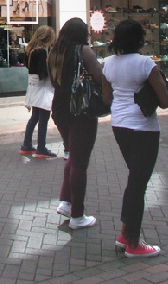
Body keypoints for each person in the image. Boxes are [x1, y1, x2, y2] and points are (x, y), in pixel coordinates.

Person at [101, 19, 168, 258]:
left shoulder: (108, 63)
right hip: (144, 127)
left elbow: (107, 97)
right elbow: (165, 101)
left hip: (119, 125)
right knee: (138, 184)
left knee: (135, 180)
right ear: (139, 39)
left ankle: (125, 233)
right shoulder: (145, 64)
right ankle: (133, 242)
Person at [48, 17, 105, 230]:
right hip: (81, 109)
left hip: (60, 108)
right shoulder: (84, 51)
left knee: (73, 154)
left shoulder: (54, 53)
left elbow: (54, 82)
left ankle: (66, 201)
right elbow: (99, 77)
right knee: (80, 163)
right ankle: (77, 216)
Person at [20, 26, 57, 158]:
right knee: (44, 118)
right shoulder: (42, 51)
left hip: (33, 86)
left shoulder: (30, 50)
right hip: (43, 88)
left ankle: (27, 144)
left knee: (35, 117)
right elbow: (43, 73)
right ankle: (41, 147)